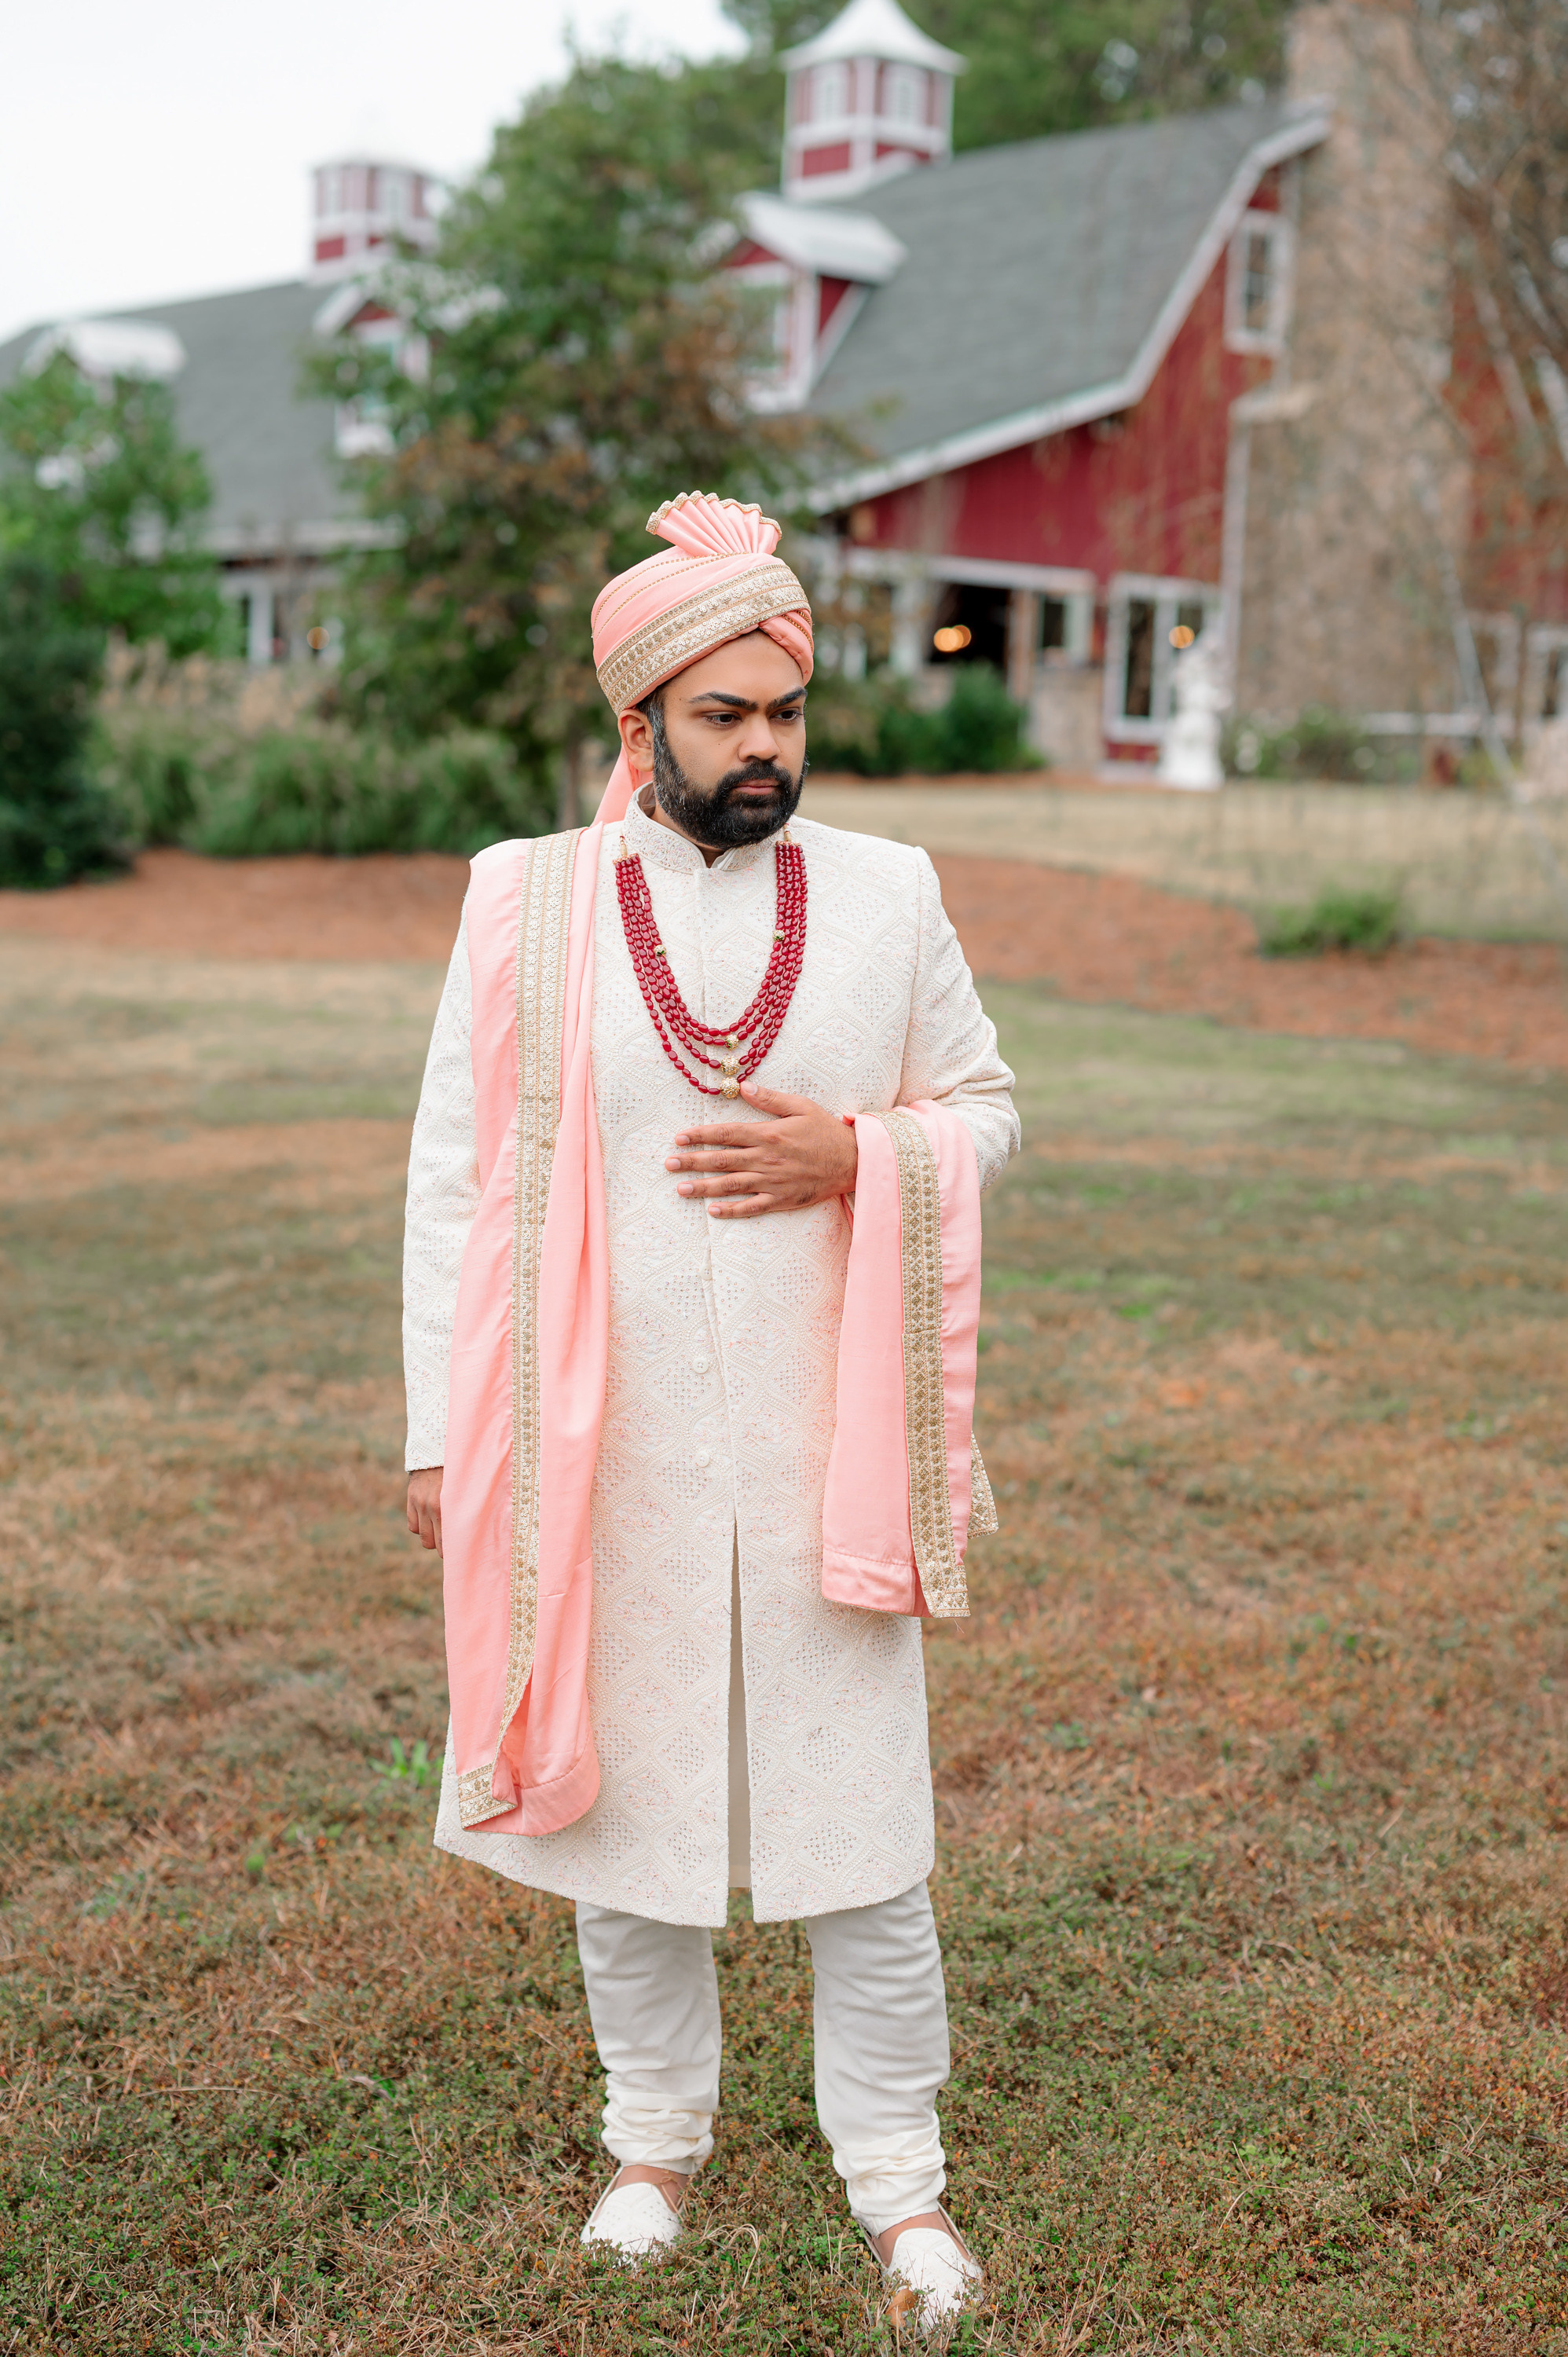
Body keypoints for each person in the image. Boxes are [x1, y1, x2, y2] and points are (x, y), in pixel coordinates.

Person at [401, 493, 1018, 2334]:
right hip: (608, 1441)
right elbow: (452, 1179)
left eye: (786, 713)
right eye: (724, 716)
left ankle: (895, 2179)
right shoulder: (526, 899)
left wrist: (857, 1155)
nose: (764, 748)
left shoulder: (887, 892)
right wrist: (440, 1433)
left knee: (862, 1836)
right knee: (631, 1822)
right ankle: (652, 2146)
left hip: (835, 1441)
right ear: (638, 722)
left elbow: (983, 1108)